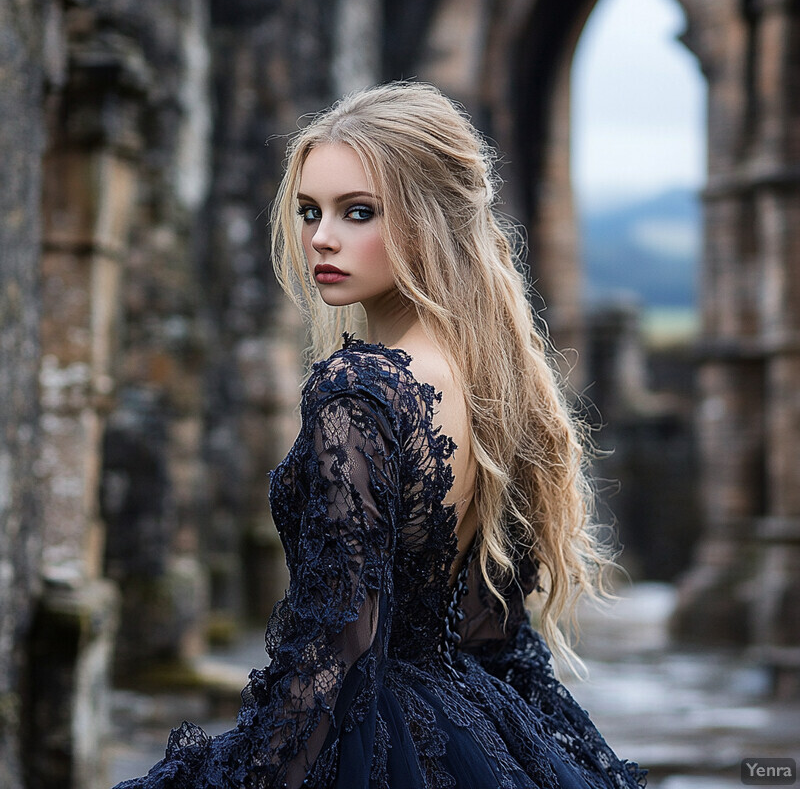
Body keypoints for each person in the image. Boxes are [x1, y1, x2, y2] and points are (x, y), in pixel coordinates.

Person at [113, 81, 647, 789]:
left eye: (357, 212)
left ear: (429, 220)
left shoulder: (358, 392)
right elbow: (493, 634)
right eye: (309, 211)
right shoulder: (495, 381)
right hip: (469, 728)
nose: (321, 238)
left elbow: (340, 643)